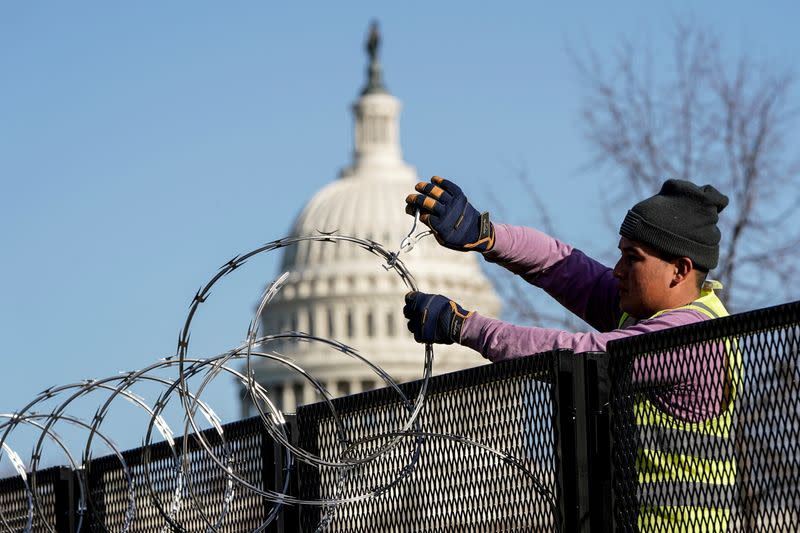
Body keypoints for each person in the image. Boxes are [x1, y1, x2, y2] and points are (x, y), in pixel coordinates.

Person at [403, 176, 737, 532]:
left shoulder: (691, 337)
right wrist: (487, 235)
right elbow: (562, 265)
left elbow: (581, 355)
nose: (618, 270)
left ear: (680, 270)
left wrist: (466, 327)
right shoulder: (645, 314)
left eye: (632, 258)